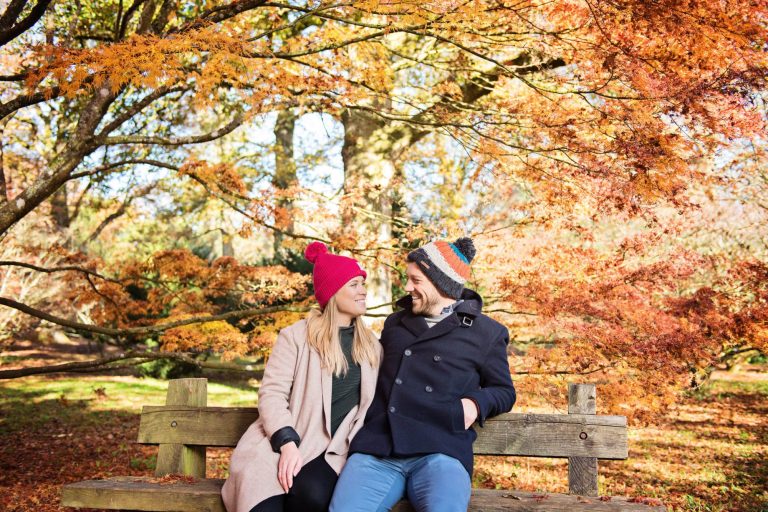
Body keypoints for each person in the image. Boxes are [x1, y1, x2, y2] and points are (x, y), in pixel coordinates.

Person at [329, 237, 516, 512]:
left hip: (441, 450)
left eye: (416, 280)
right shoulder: (396, 323)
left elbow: (504, 391)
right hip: (380, 448)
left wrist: (475, 404)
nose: (407, 288)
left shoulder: (486, 332)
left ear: (441, 282)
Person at [222, 242, 381, 512]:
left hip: (334, 449)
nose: (363, 290)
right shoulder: (295, 337)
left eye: (362, 284)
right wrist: (287, 443)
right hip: (283, 441)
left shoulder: (373, 346)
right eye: (354, 284)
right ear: (332, 292)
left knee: (312, 497)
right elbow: (272, 394)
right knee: (262, 504)